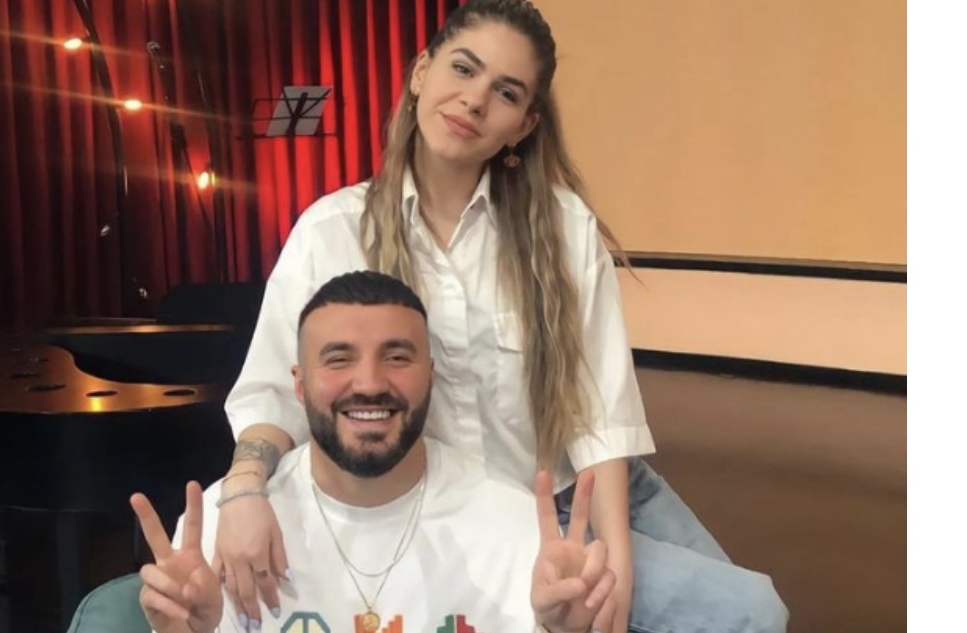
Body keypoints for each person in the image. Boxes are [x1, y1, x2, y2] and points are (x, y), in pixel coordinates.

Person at [216, 1, 788, 632]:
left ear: (524, 124)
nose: (474, 100)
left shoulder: (564, 227)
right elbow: (274, 395)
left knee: (752, 615)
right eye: (463, 69)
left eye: (506, 92)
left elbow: (600, 417)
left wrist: (615, 562)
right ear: (421, 72)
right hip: (472, 520)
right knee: (745, 612)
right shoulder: (331, 232)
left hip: (587, 491)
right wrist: (243, 492)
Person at [132, 271, 617, 632]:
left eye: (397, 357)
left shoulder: (512, 527)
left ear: (431, 376)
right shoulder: (223, 528)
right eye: (339, 359)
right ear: (298, 385)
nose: (368, 383)